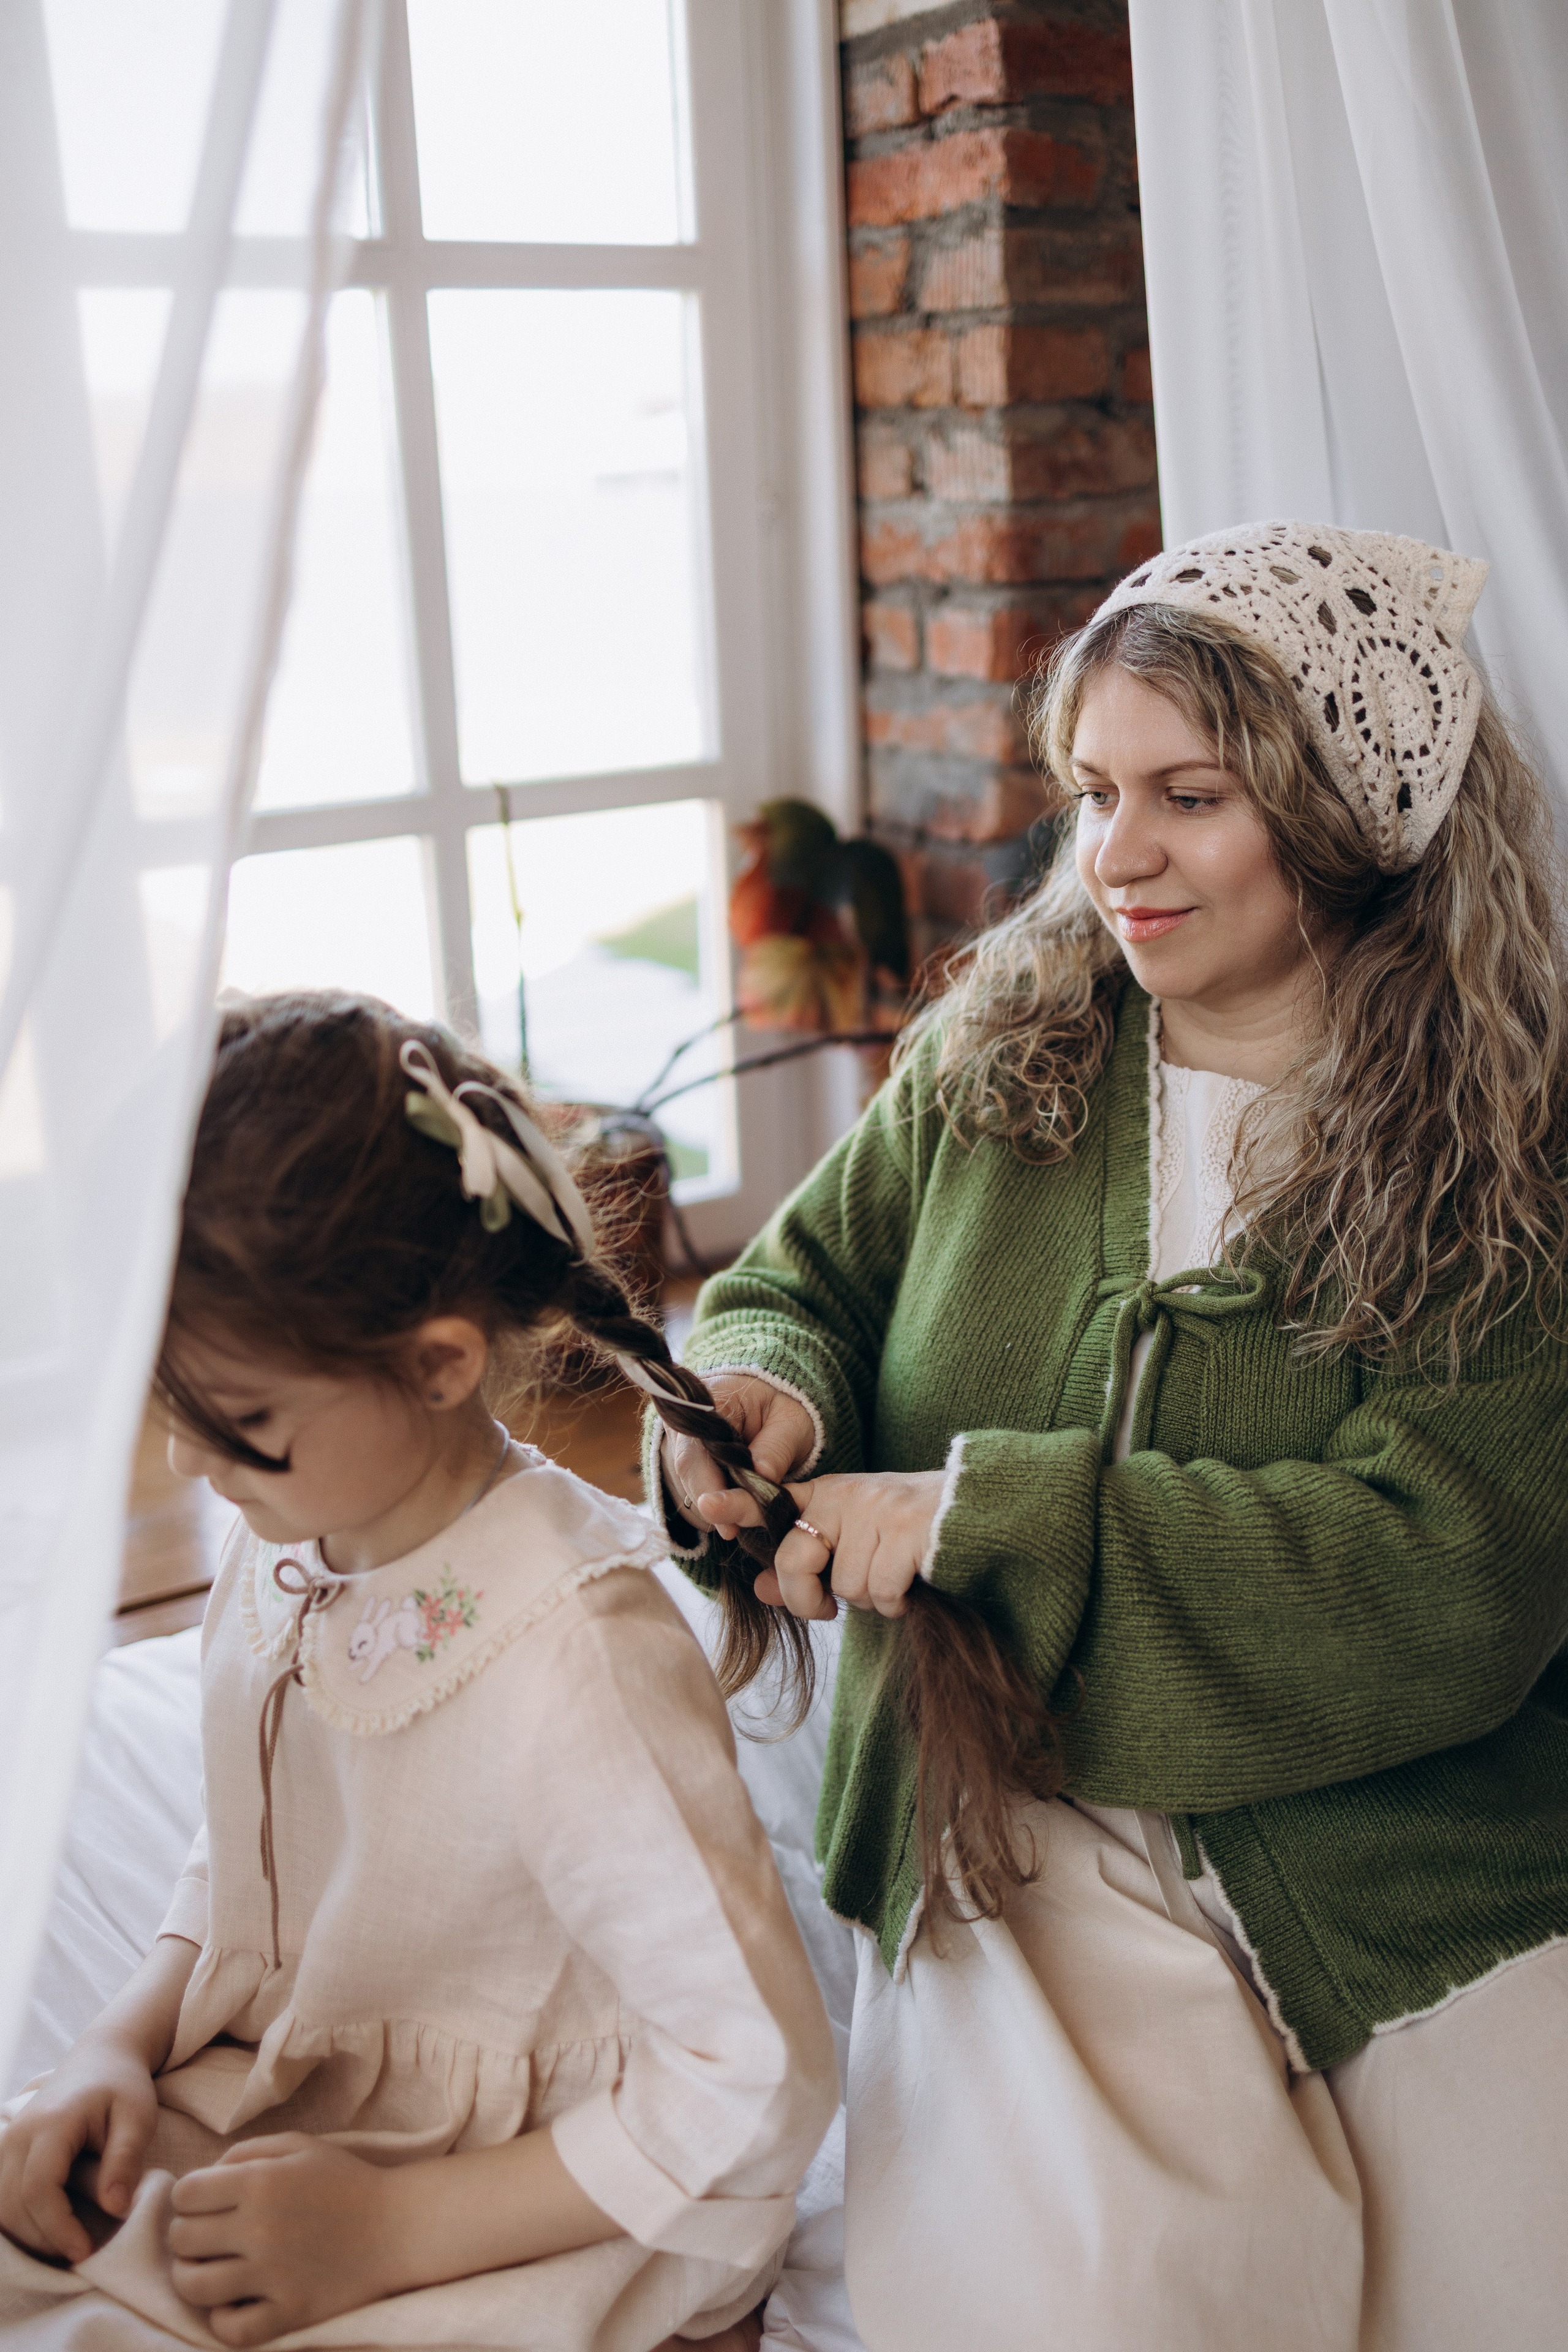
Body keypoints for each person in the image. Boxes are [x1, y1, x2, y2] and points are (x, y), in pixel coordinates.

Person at [656, 524, 1568, 2352]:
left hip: (1402, 1845)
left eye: (1189, 796)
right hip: (1011, 1800)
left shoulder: (1507, 1154)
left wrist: (996, 1518)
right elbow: (795, 1280)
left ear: (1350, 815)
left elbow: (1462, 1568)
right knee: (1130, 2300)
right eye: (1089, 794)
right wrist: (760, 1387)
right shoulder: (1002, 1055)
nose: (1116, 859)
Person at [0, 995, 838, 2352]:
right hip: (306, 2076)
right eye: (171, 1409)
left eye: (239, 1421)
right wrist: (117, 2042)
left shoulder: (577, 1654)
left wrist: (386, 2232)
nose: (189, 1465)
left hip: (547, 2184)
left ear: (438, 1363)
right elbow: (246, 1848)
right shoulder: (287, 1539)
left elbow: (754, 2077)